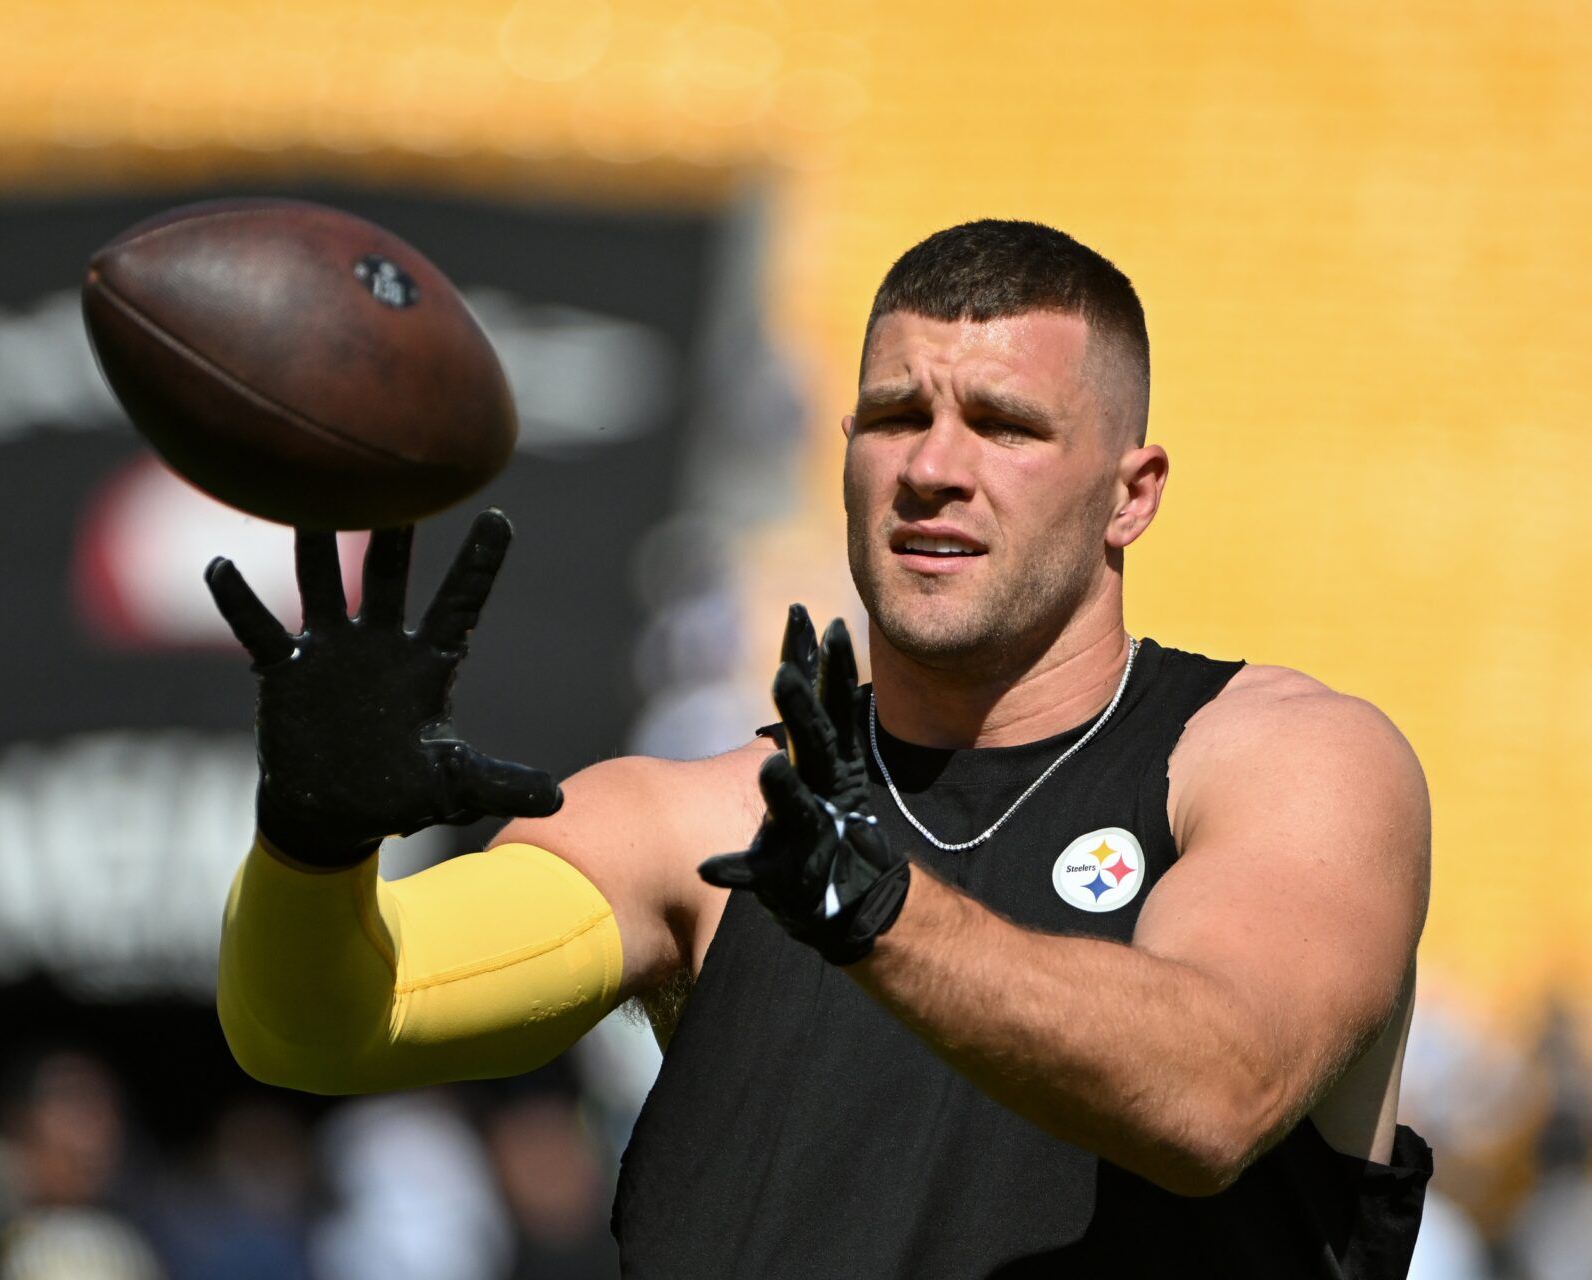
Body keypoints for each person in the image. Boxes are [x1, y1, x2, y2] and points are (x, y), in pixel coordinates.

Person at [209, 220, 1434, 1277]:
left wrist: (880, 911)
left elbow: (1213, 1092)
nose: (933, 469)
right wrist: (310, 844)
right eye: (897, 415)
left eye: (1005, 426)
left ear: (1132, 490)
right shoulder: (700, 820)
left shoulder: (1283, 761)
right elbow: (318, 1029)